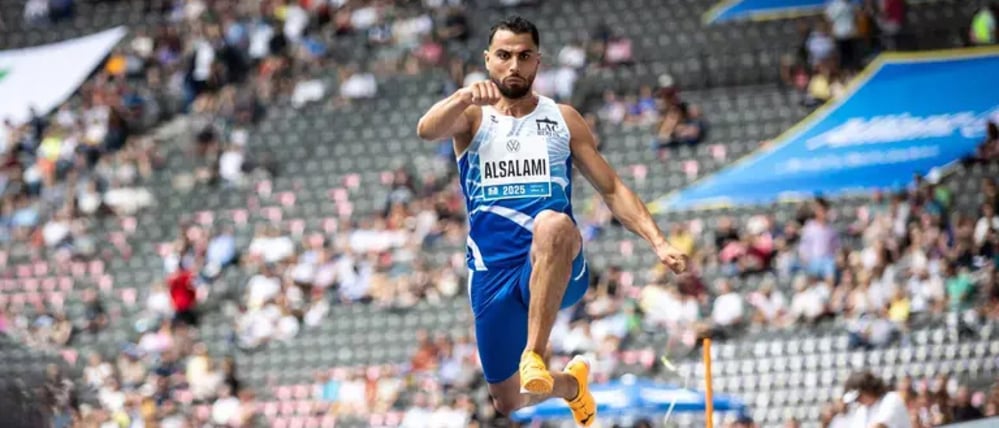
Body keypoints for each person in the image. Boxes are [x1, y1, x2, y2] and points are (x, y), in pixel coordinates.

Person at [416, 16, 687, 426]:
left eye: (524, 56)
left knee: (552, 224)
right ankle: (571, 386)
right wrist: (462, 97)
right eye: (504, 56)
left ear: (538, 62)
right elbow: (426, 129)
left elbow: (612, 188)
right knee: (507, 401)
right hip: (494, 273)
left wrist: (658, 241)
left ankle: (535, 353)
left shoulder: (562, 118)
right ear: (488, 60)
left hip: (559, 262)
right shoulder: (471, 118)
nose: (514, 65)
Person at [841, 371, 911, 428]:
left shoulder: (891, 399)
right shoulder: (862, 410)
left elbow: (880, 426)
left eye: (858, 397)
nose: (857, 401)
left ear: (868, 389)